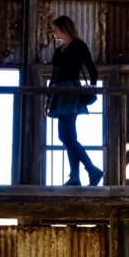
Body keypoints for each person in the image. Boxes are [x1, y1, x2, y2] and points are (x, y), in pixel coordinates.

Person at [45, 15, 104, 186]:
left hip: (70, 91)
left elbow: (93, 70)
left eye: (55, 27)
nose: (53, 31)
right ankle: (75, 176)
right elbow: (53, 77)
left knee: (65, 136)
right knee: (69, 136)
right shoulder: (58, 51)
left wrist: (91, 87)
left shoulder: (79, 46)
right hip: (58, 92)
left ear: (63, 28)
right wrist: (48, 99)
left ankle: (92, 169)